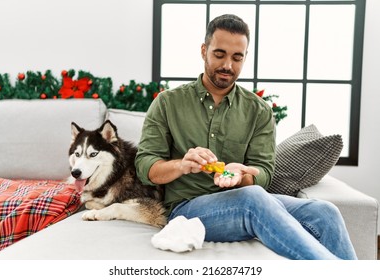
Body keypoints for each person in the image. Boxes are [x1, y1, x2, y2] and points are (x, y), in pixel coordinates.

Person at [135, 14, 357, 260]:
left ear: (244, 57)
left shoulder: (259, 110)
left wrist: (242, 176)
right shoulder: (168, 103)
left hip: (242, 197)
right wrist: (182, 165)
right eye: (219, 54)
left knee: (325, 212)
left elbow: (264, 173)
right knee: (253, 199)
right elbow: (146, 168)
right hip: (188, 210)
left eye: (237, 57)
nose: (228, 65)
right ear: (203, 51)